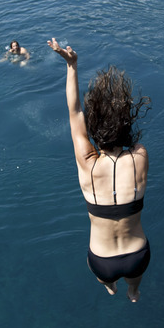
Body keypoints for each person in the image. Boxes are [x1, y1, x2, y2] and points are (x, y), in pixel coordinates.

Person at [48, 38, 151, 302]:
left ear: (94, 129)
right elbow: (131, 145)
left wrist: (72, 66)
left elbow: (74, 114)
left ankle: (109, 286)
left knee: (102, 276)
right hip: (138, 256)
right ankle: (134, 290)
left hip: (102, 261)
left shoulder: (87, 163)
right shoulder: (140, 155)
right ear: (126, 125)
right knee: (135, 280)